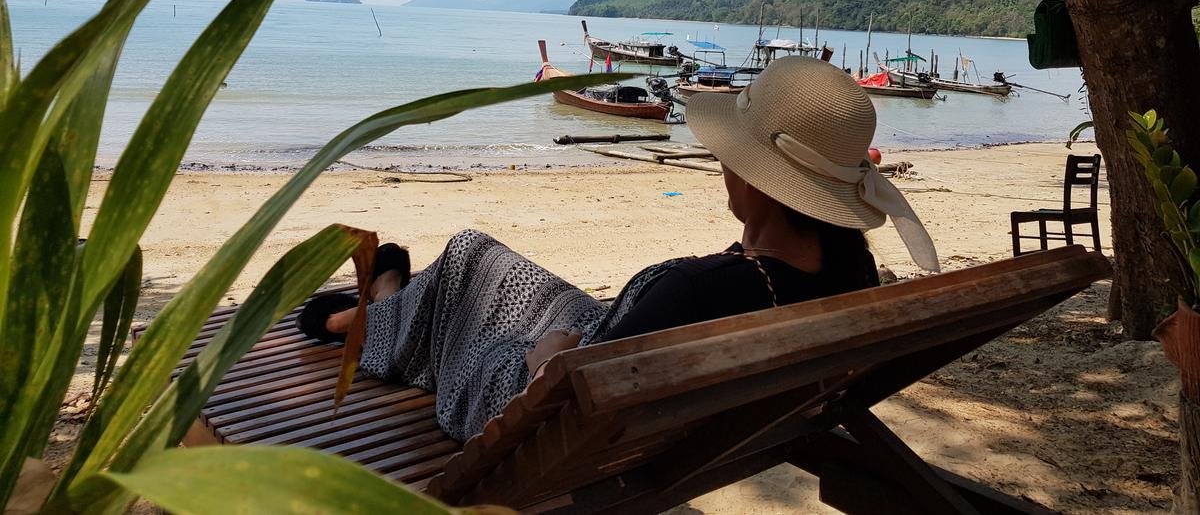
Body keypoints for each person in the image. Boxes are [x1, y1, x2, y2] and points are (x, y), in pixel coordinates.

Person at [297, 56, 940, 442]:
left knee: (465, 260)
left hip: (541, 398)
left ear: (761, 181)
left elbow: (556, 386)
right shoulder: (850, 271)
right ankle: (393, 297)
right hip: (635, 375)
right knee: (476, 262)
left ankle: (361, 311)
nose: (723, 168)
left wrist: (550, 351)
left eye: (731, 157)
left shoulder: (695, 289)